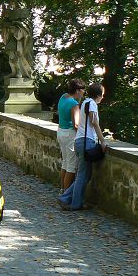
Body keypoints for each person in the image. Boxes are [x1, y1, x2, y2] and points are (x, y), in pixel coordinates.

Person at [58, 83, 106, 212]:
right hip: (86, 141)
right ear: (98, 94)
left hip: (79, 140)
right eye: (102, 94)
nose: (103, 97)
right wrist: (102, 141)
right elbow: (94, 123)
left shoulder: (85, 102)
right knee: (82, 174)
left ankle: (66, 197)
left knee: (85, 174)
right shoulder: (92, 104)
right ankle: (72, 202)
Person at [57, 79, 86, 192]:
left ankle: (62, 190)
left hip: (61, 131)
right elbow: (76, 124)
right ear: (78, 90)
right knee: (72, 167)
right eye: (83, 90)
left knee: (65, 162)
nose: (84, 92)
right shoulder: (74, 104)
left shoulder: (63, 97)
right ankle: (66, 195)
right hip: (70, 135)